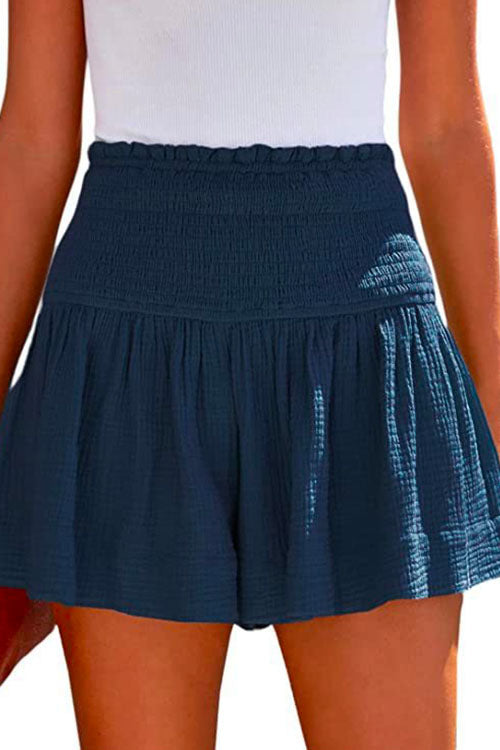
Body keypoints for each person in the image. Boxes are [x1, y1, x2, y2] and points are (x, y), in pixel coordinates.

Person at [0, 1, 499, 748]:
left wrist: (494, 399)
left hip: (360, 359)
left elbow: (447, 125)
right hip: (124, 361)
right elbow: (32, 138)